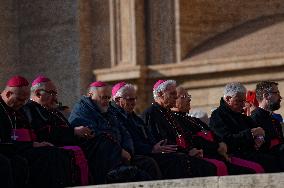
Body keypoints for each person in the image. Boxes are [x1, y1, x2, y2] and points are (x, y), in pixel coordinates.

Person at [21, 76, 129, 185]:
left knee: (101, 140)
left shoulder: (54, 111)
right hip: (52, 149)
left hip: (70, 145)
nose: (55, 98)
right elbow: (43, 133)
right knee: (101, 143)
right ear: (39, 93)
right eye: (52, 93)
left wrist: (82, 134)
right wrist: (74, 132)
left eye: (56, 94)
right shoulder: (30, 109)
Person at [68, 81, 157, 183]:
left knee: (148, 164)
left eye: (108, 98)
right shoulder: (82, 110)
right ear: (90, 95)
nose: (106, 101)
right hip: (99, 160)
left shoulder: (108, 110)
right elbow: (95, 136)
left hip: (119, 156)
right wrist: (119, 151)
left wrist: (127, 150)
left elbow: (124, 132)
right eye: (103, 97)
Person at [108, 82, 196, 179]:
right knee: (156, 162)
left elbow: (148, 136)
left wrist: (156, 147)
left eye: (135, 99)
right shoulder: (114, 117)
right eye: (130, 99)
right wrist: (151, 149)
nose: (134, 102)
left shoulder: (133, 117)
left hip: (146, 151)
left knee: (179, 158)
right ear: (117, 99)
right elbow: (130, 140)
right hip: (132, 155)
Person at [0, 75, 73, 188]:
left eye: (25, 100)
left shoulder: (17, 110)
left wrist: (35, 144)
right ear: (9, 94)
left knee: (52, 153)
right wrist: (31, 145)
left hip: (17, 148)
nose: (22, 104)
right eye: (20, 99)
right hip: (7, 150)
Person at [171, 86, 263, 174]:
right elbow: (194, 140)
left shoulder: (195, 120)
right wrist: (217, 146)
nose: (189, 99)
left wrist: (221, 143)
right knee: (251, 171)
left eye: (189, 96)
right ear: (174, 100)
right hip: (208, 156)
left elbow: (214, 134)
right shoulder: (174, 119)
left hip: (221, 154)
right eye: (184, 96)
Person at [142, 79, 219, 177]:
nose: (175, 96)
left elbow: (184, 136)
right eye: (172, 93)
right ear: (161, 94)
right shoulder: (151, 114)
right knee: (207, 167)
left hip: (180, 154)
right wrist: (188, 152)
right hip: (166, 158)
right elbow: (164, 142)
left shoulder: (168, 113)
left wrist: (192, 149)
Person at [209, 82, 280, 172]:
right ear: (228, 99)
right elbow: (226, 139)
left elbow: (260, 132)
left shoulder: (241, 116)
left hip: (251, 154)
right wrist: (251, 133)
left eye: (244, 101)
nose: (243, 105)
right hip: (234, 156)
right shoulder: (217, 116)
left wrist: (260, 138)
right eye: (239, 101)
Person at [250, 81, 284, 169]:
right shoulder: (254, 118)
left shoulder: (274, 120)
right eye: (276, 93)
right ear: (266, 96)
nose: (280, 97)